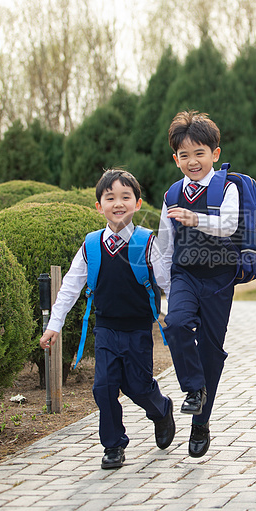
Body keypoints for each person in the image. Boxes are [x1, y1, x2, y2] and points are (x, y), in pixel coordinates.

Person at [39, 169, 175, 469]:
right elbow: (71, 286)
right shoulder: (91, 246)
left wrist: (181, 314)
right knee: (103, 388)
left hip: (139, 330)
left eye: (126, 197)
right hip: (106, 329)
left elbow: (167, 282)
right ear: (99, 206)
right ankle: (113, 445)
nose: (118, 203)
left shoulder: (145, 242)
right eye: (110, 197)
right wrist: (54, 326)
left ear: (137, 204)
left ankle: (161, 409)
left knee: (138, 387)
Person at [158, 110, 239, 458]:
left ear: (214, 154)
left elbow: (231, 224)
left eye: (199, 153)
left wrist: (197, 218)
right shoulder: (172, 193)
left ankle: (200, 423)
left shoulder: (229, 186)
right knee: (175, 324)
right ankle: (193, 389)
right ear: (176, 159)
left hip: (220, 280)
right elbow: (164, 246)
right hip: (185, 276)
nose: (192, 161)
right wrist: (165, 287)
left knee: (210, 352)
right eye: (184, 155)